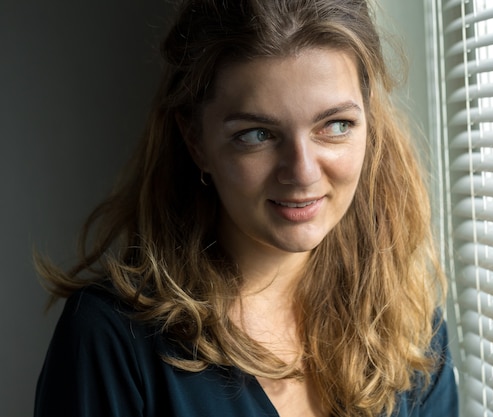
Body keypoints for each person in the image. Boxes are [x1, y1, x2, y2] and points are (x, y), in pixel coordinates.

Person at [34, 0, 458, 416]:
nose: (303, 173)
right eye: (257, 134)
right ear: (196, 141)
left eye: (335, 125)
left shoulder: (408, 325)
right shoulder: (110, 340)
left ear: (368, 123)